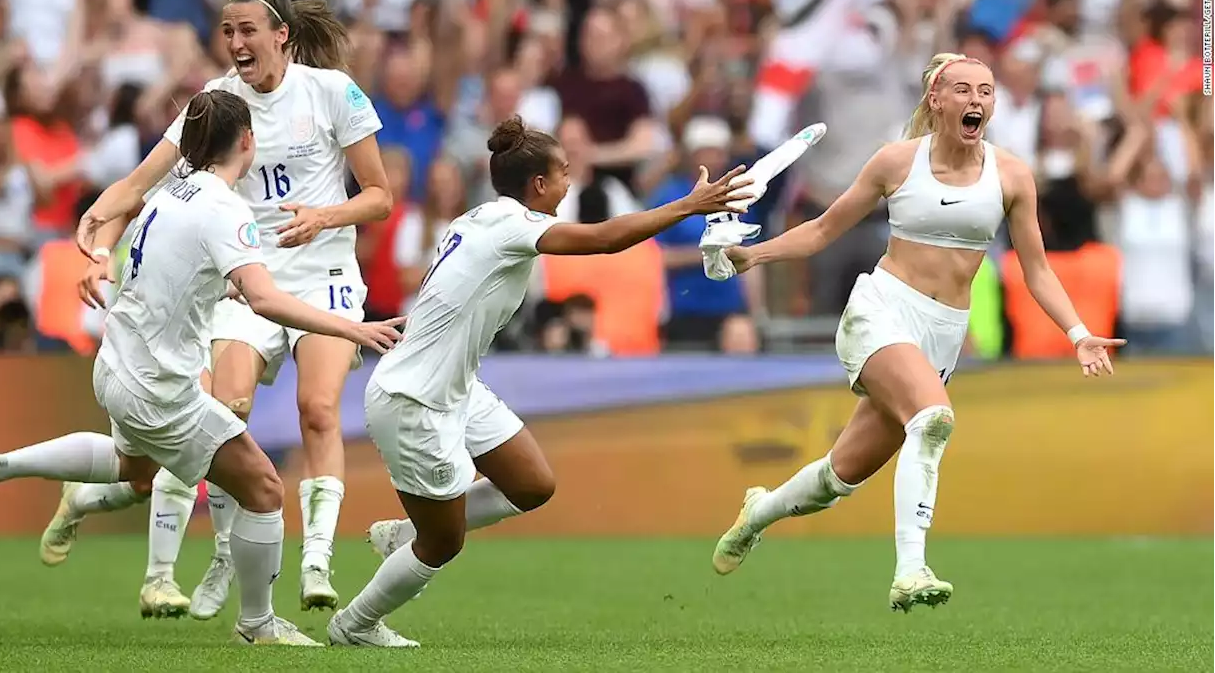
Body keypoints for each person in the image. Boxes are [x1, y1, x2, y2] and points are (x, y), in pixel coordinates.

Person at [0, 90, 404, 645]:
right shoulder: (225, 210)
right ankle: (257, 624)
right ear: (248, 143)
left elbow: (177, 255)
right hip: (159, 387)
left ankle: (2, 465)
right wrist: (351, 326)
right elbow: (266, 300)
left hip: (115, 364)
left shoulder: (170, 188)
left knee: (132, 469)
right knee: (262, 487)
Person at [709, 53, 1125, 612]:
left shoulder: (1012, 175)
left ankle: (758, 513)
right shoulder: (897, 162)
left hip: (943, 335)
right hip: (882, 311)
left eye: (986, 91)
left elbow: (1038, 271)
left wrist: (1078, 333)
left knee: (839, 477)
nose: (976, 100)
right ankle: (910, 570)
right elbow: (823, 229)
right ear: (937, 100)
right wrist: (752, 257)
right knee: (933, 420)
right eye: (963, 90)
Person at [326, 115, 752, 648]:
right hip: (414, 399)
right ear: (538, 186)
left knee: (531, 484)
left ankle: (408, 533)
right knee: (444, 544)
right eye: (564, 174)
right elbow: (602, 240)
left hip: (454, 387)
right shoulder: (513, 227)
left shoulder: (479, 217)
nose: (570, 183)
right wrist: (688, 206)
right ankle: (354, 624)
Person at [46, 0, 393, 618]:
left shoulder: (332, 92)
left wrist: (324, 215)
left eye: (247, 31)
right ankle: (224, 554)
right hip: (245, 277)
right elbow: (142, 180)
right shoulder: (218, 103)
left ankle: (317, 559)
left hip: (325, 274)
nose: (235, 44)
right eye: (227, 32)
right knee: (223, 413)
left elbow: (380, 196)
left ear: (282, 34)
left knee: (318, 409)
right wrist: (97, 226)